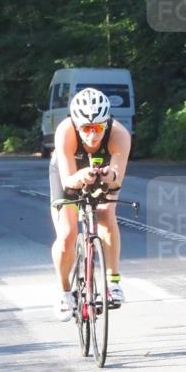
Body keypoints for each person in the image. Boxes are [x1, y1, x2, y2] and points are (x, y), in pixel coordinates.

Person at [49, 87, 132, 321]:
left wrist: (108, 176)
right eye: (86, 128)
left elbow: (117, 179)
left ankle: (113, 281)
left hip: (101, 170)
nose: (92, 135)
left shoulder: (119, 134)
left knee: (106, 213)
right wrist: (81, 176)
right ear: (76, 124)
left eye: (97, 128)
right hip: (68, 172)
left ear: (106, 123)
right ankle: (65, 292)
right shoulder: (65, 131)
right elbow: (67, 180)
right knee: (67, 234)